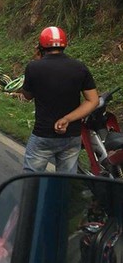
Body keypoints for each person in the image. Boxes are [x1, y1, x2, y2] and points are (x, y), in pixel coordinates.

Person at [21, 26, 98, 174]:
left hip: (43, 134)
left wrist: (37, 61)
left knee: (32, 180)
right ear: (65, 45)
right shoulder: (79, 67)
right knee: (66, 181)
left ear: (41, 46)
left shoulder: (34, 67)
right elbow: (92, 100)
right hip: (71, 135)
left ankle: (33, 198)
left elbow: (28, 95)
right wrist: (67, 119)